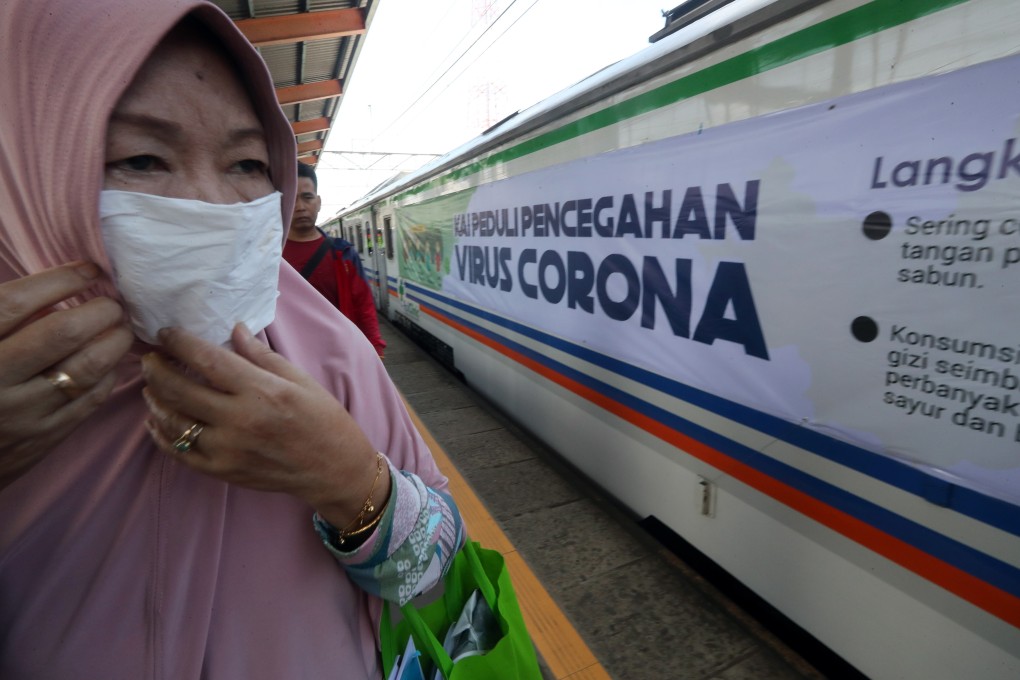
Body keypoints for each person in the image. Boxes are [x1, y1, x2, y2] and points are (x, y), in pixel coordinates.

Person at [0, 1, 463, 678]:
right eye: (142, 158)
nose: (211, 205)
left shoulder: (334, 356)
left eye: (247, 165)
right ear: (30, 176)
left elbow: (445, 590)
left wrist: (352, 482)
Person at [284, 163, 387, 357]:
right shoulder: (270, 255)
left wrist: (376, 350)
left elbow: (363, 305)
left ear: (319, 202)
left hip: (340, 354)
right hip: (290, 358)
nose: (300, 207)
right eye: (292, 199)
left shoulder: (343, 253)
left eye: (307, 198)